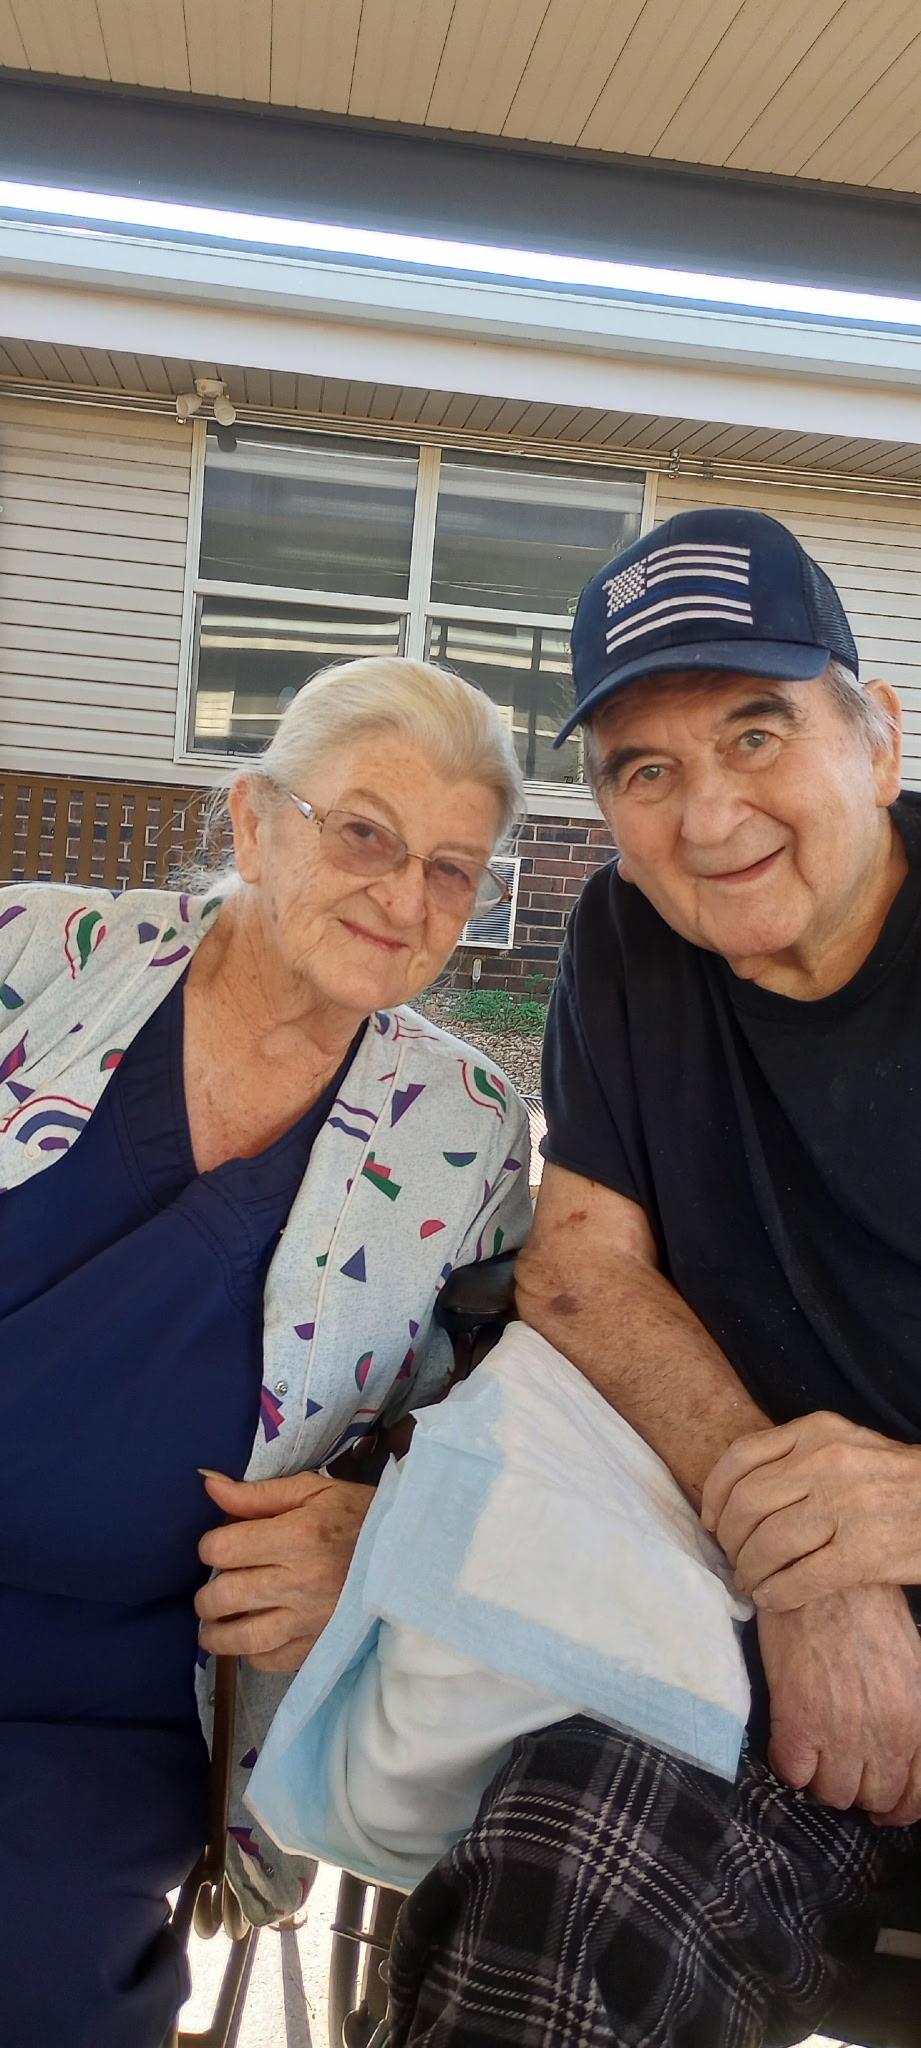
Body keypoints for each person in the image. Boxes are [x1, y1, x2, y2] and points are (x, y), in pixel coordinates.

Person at [381, 510, 921, 2048]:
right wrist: (800, 1551)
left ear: (874, 738)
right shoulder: (627, 940)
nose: (709, 815)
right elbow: (577, 1269)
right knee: (554, 1887)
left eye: (755, 734)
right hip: (756, 1630)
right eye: (644, 770)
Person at [0, 655, 533, 2048]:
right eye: (363, 834)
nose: (403, 897)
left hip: (104, 1706)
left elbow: (492, 1429)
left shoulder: (464, 1126)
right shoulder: (33, 954)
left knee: (36, 1977)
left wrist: (374, 1532)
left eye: (451, 869)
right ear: (251, 821)